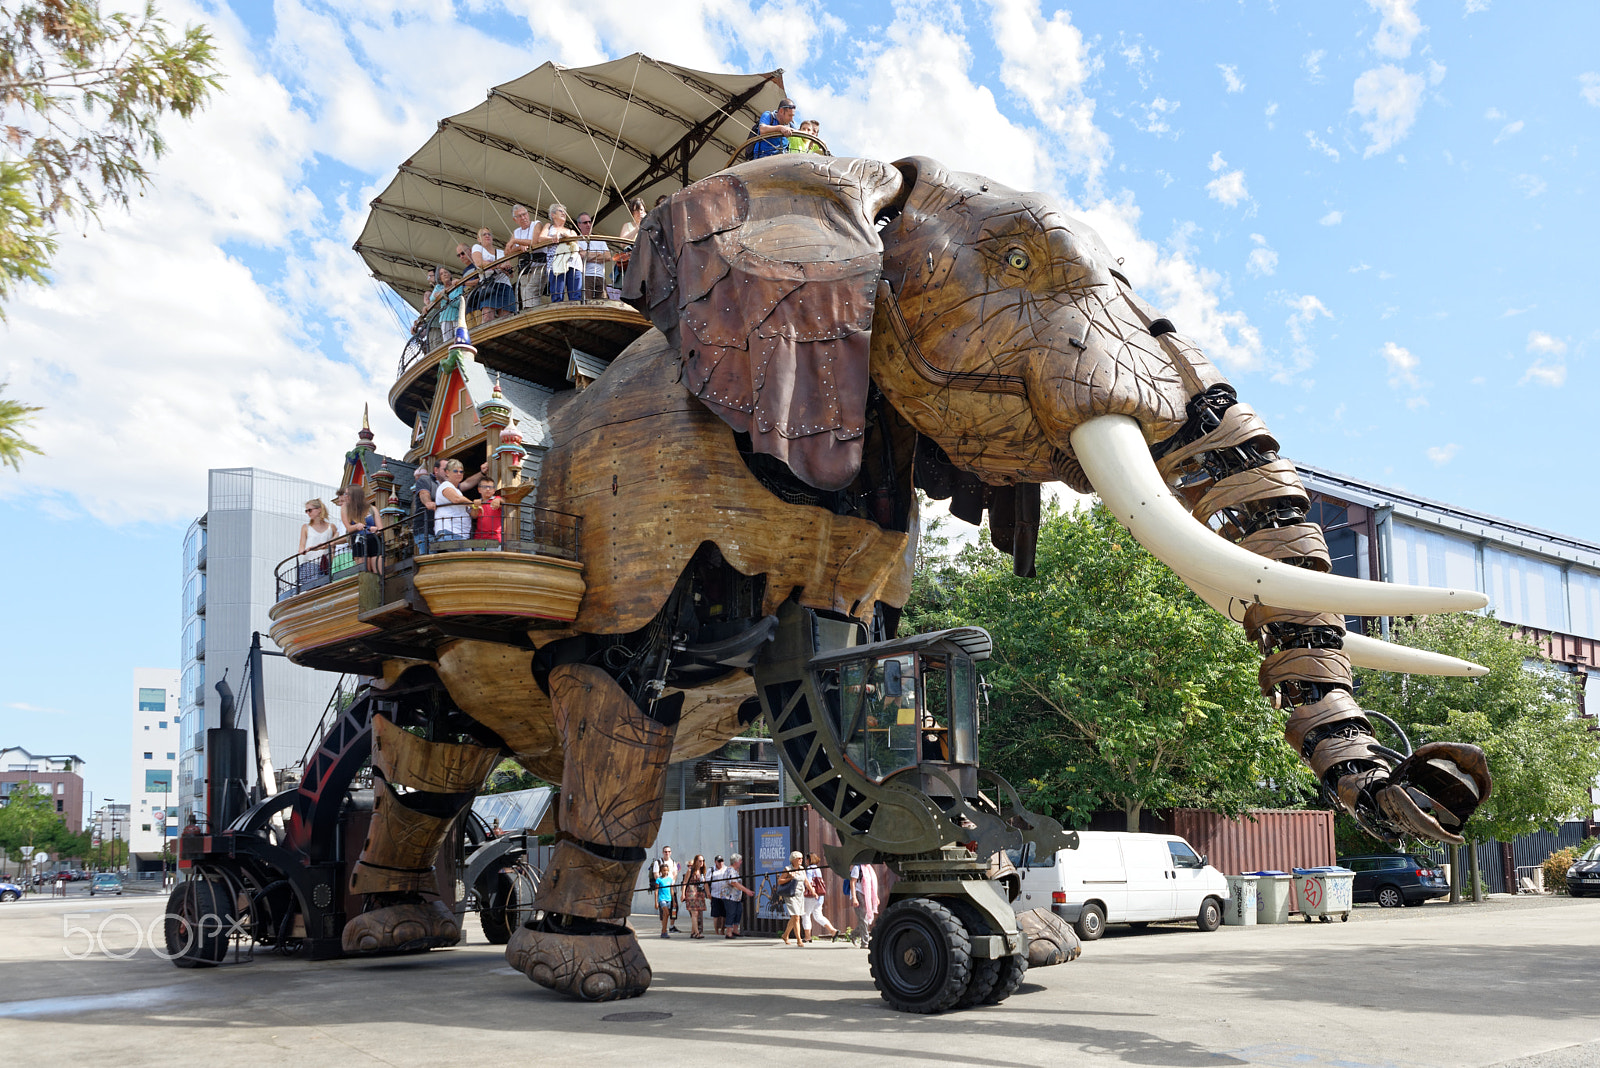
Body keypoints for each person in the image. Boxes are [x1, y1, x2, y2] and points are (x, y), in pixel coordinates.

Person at [502, 203, 547, 310]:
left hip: (539, 264)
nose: (523, 218)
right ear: (515, 220)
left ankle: (532, 315)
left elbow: (534, 242)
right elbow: (508, 251)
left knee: (530, 291)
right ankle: (529, 314)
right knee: (525, 294)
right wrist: (519, 246)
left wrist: (515, 241)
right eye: (519, 216)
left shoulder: (536, 224)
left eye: (524, 214)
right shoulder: (516, 232)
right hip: (525, 268)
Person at [468, 227, 515, 322]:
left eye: (489, 234)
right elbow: (479, 263)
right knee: (487, 315)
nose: (487, 236)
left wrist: (507, 268)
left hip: (504, 284)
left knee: (506, 317)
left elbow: (511, 275)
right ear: (479, 239)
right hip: (489, 285)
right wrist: (499, 265)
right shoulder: (477, 247)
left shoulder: (502, 253)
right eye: (484, 234)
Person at [297, 499, 342, 590]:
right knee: (312, 591)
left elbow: (334, 545)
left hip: (325, 564)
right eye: (306, 511)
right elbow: (301, 546)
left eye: (310, 510)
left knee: (325, 590)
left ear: (319, 509)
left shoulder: (331, 527)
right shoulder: (306, 527)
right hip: (310, 563)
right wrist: (303, 551)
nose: (308, 513)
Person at [338, 483, 383, 574]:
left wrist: (376, 530)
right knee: (366, 572)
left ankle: (382, 587)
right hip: (359, 541)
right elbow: (349, 528)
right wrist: (356, 526)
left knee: (379, 571)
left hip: (374, 540)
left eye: (347, 494)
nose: (345, 496)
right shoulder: (345, 508)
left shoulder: (372, 509)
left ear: (355, 495)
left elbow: (381, 528)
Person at [544, 203, 583, 303]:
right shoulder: (549, 227)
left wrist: (564, 235)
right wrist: (553, 238)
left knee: (575, 295)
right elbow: (540, 239)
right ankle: (558, 317)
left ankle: (575, 316)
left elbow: (576, 242)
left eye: (565, 212)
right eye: (561, 211)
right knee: (557, 293)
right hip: (556, 263)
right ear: (553, 215)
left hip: (573, 263)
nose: (564, 213)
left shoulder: (571, 231)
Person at [801, 852, 840, 942]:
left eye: (806, 859)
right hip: (820, 896)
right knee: (818, 915)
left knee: (806, 915)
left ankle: (807, 937)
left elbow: (809, 882)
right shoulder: (818, 869)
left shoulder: (809, 869)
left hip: (811, 895)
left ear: (808, 860)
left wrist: (812, 892)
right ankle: (833, 931)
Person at [432, 459, 473, 541]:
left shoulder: (458, 491)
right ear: (447, 472)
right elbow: (456, 499)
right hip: (449, 532)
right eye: (455, 471)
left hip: (459, 534)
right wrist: (473, 504)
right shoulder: (445, 485)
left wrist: (476, 507)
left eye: (461, 472)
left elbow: (472, 513)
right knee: (466, 554)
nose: (459, 474)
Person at [574, 212, 611, 299]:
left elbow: (608, 257)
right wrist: (598, 255)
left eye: (590, 222)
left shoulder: (599, 240)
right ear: (579, 225)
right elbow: (581, 255)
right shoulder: (576, 240)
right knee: (586, 305)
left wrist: (588, 255)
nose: (588, 225)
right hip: (585, 277)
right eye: (585, 222)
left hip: (600, 276)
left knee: (602, 304)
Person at [718, 853, 754, 939]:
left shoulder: (735, 871)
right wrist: (747, 891)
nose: (741, 863)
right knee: (731, 913)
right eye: (740, 861)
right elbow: (734, 883)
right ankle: (729, 932)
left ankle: (735, 930)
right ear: (735, 862)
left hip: (736, 897)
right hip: (729, 897)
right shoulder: (730, 870)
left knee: (738, 911)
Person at [778, 850, 808, 946]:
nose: (801, 860)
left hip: (800, 895)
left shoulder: (802, 869)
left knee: (796, 916)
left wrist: (813, 891)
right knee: (796, 917)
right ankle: (799, 940)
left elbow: (806, 881)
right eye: (799, 858)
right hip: (791, 895)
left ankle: (785, 935)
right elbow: (780, 881)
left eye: (802, 858)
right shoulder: (788, 869)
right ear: (793, 859)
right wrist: (790, 878)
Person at [850, 861, 881, 947]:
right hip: (858, 893)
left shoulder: (869, 868)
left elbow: (872, 884)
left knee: (865, 920)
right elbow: (852, 882)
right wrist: (854, 898)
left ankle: (853, 935)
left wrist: (876, 897)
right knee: (863, 919)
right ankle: (865, 942)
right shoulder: (857, 868)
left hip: (866, 895)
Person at [682, 854, 709, 938]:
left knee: (697, 913)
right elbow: (685, 882)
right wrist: (683, 894)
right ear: (696, 861)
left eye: (703, 861)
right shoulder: (690, 871)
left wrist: (708, 893)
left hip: (699, 893)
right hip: (691, 893)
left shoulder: (702, 871)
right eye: (700, 861)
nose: (702, 863)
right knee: (695, 913)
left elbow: (705, 884)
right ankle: (697, 933)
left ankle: (693, 932)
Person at [474, 478, 502, 545]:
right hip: (479, 538)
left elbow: (504, 501)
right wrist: (475, 506)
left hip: (494, 538)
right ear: (479, 489)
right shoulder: (478, 502)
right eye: (484, 487)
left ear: (494, 490)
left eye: (490, 487)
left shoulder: (496, 500)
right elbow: (473, 516)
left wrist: (499, 500)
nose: (488, 489)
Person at [655, 859, 675, 938]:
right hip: (662, 899)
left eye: (666, 870)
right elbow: (656, 891)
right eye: (663, 870)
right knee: (666, 913)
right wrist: (656, 902)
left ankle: (663, 931)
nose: (665, 872)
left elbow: (671, 890)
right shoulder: (658, 880)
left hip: (669, 899)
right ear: (660, 871)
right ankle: (664, 930)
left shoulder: (669, 879)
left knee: (666, 916)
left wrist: (673, 900)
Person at [708, 855, 728, 934]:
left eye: (722, 861)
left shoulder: (727, 869)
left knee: (724, 914)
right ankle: (716, 931)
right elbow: (706, 883)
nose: (721, 863)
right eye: (719, 861)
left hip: (724, 895)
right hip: (715, 894)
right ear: (715, 862)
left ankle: (722, 930)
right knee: (716, 915)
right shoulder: (711, 870)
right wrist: (708, 893)